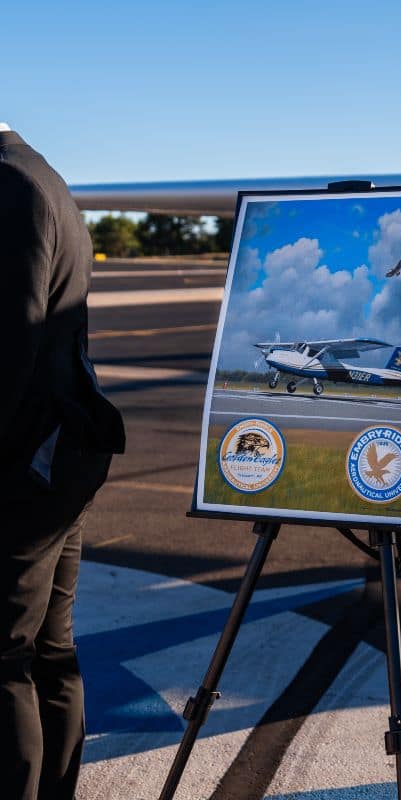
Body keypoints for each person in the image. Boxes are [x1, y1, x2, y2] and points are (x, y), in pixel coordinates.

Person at [0, 124, 125, 800]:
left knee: (5, 664)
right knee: (49, 652)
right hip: (62, 456)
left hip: (26, 467)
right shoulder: (42, 174)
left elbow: (10, 349)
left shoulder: (10, 184)